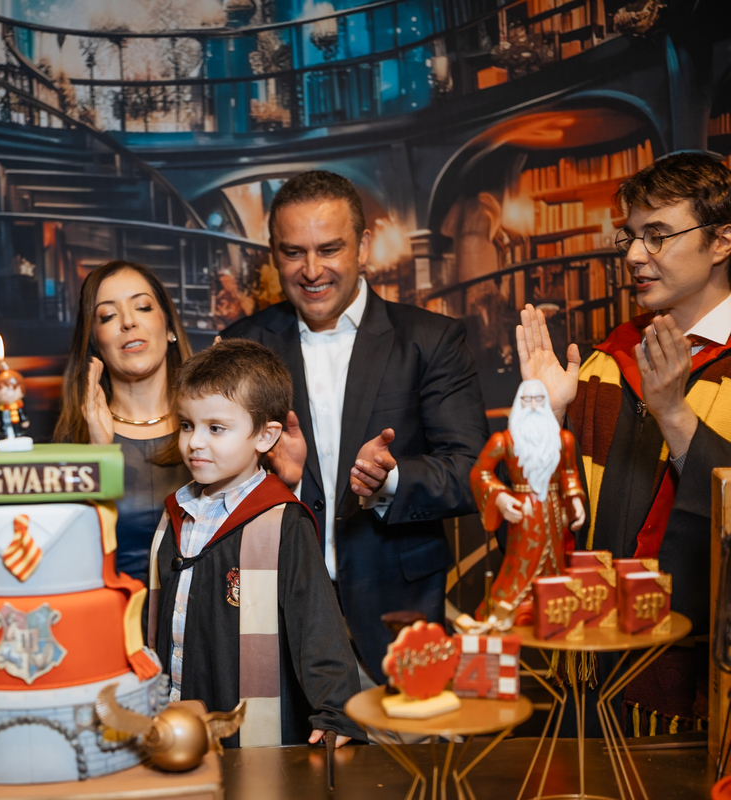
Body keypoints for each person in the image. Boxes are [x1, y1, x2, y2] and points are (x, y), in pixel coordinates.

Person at [220, 171, 489, 682]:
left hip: (398, 614)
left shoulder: (431, 341)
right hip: (274, 612)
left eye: (330, 248)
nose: (312, 269)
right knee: (279, 764)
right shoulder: (242, 347)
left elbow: (471, 469)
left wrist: (389, 480)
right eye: (293, 252)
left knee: (402, 764)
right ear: (274, 254)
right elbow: (215, 486)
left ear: (363, 245)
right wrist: (287, 483)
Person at [518, 152, 731, 729]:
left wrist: (673, 414)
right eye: (631, 238)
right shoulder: (603, 365)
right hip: (588, 673)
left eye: (657, 235)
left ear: (721, 241)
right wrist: (544, 416)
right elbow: (540, 525)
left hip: (699, 691)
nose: (635, 256)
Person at [146, 339, 364, 748]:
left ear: (265, 436)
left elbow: (316, 625)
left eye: (216, 428)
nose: (194, 442)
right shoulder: (175, 513)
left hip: (248, 725)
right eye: (187, 425)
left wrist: (337, 713)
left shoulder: (282, 520)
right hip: (175, 713)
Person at [53, 261, 193, 586]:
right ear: (94, 341)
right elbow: (63, 561)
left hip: (202, 627)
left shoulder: (210, 431)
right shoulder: (77, 444)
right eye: (108, 316)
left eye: (142, 307)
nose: (128, 322)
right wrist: (98, 455)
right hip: (113, 626)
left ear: (170, 327)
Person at [469, 379, 586, 625]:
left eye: (538, 400)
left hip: (553, 510)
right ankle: (513, 606)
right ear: (518, 404)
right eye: (526, 400)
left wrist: (574, 499)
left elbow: (568, 473)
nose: (533, 405)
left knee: (555, 557)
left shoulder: (562, 440)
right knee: (521, 558)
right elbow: (480, 472)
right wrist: (500, 497)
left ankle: (553, 603)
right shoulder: (506, 441)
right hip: (524, 512)